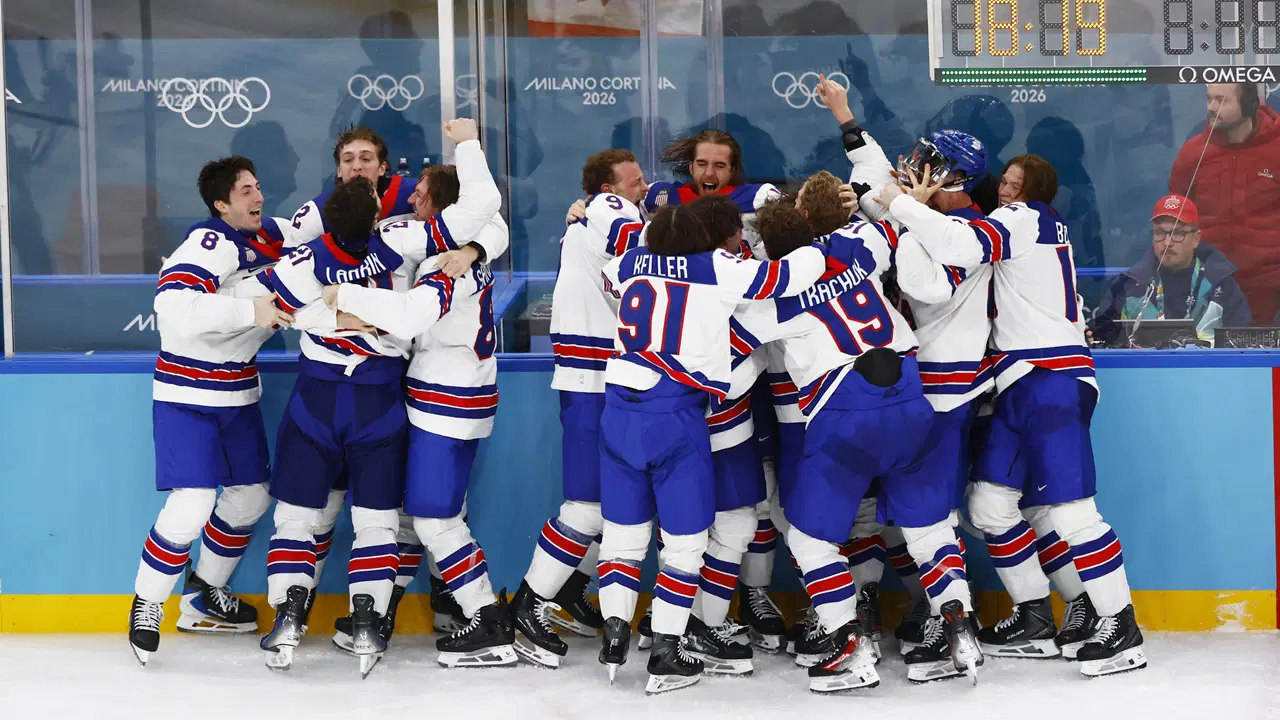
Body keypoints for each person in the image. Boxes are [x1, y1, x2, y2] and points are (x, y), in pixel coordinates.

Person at [880, 154, 1147, 678]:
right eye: (1003, 180)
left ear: (1036, 191)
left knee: (1073, 513)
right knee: (990, 507)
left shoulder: (1025, 219)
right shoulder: (1021, 223)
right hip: (1017, 381)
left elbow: (958, 243)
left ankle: (1121, 625)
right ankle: (1033, 617)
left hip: (1052, 378)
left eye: (1015, 184)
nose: (1005, 190)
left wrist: (900, 202)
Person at [257, 118, 501, 677]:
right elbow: (483, 208)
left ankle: (289, 612)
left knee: (297, 518)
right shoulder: (399, 239)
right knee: (377, 522)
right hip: (379, 400)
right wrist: (466, 142)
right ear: (375, 213)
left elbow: (270, 308)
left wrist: (326, 316)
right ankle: (368, 615)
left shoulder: (301, 260)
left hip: (315, 401)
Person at [595, 203, 828, 695]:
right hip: (675, 413)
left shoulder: (629, 261)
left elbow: (611, 274)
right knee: (685, 543)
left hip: (617, 408)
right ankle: (666, 648)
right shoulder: (716, 268)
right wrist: (820, 246)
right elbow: (789, 276)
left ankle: (614, 631)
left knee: (622, 534)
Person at [733, 188, 953, 693]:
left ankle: (849, 644)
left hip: (846, 417)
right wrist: (905, 198)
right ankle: (955, 625)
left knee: (812, 537)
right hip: (911, 401)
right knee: (929, 529)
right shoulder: (856, 248)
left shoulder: (771, 300)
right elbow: (889, 227)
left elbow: (724, 352)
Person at [323, 189, 513, 671]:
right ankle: (384, 612)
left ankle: (486, 617)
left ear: (446, 211)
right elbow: (495, 226)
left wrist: (344, 296)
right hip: (463, 395)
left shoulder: (442, 266)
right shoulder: (472, 245)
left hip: (443, 401)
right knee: (416, 512)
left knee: (434, 520)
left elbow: (408, 319)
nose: (414, 199)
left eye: (424, 196)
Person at [129, 156, 295, 665]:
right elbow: (173, 304)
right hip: (187, 396)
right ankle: (148, 602)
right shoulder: (212, 241)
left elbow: (331, 237)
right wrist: (254, 308)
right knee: (193, 503)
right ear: (221, 204)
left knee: (250, 499)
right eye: (245, 191)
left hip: (239, 394)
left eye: (259, 186)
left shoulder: (272, 235)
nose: (258, 197)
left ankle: (202, 597)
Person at [510, 149, 647, 669]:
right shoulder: (613, 208)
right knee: (589, 506)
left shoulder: (599, 211)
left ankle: (566, 590)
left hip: (594, 379)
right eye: (634, 182)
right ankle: (530, 604)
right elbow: (633, 243)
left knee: (610, 505)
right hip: (594, 382)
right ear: (608, 189)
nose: (642, 188)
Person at [1169, 82, 1280, 324]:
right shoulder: (1193, 154)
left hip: (1267, 291)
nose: (1212, 107)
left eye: (1222, 100)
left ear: (1250, 105)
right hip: (1207, 288)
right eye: (1209, 99)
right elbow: (1173, 221)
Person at [1092, 194, 1250, 345]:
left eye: (1177, 233)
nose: (1167, 242)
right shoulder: (1128, 286)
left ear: (1195, 239)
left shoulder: (1222, 286)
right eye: (1160, 233)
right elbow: (1103, 340)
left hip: (1207, 371)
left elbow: (1243, 346)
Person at [283, 126, 417, 247]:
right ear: (339, 170)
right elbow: (289, 268)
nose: (357, 167)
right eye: (348, 160)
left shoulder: (415, 195)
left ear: (382, 168)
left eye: (366, 159)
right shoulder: (315, 214)